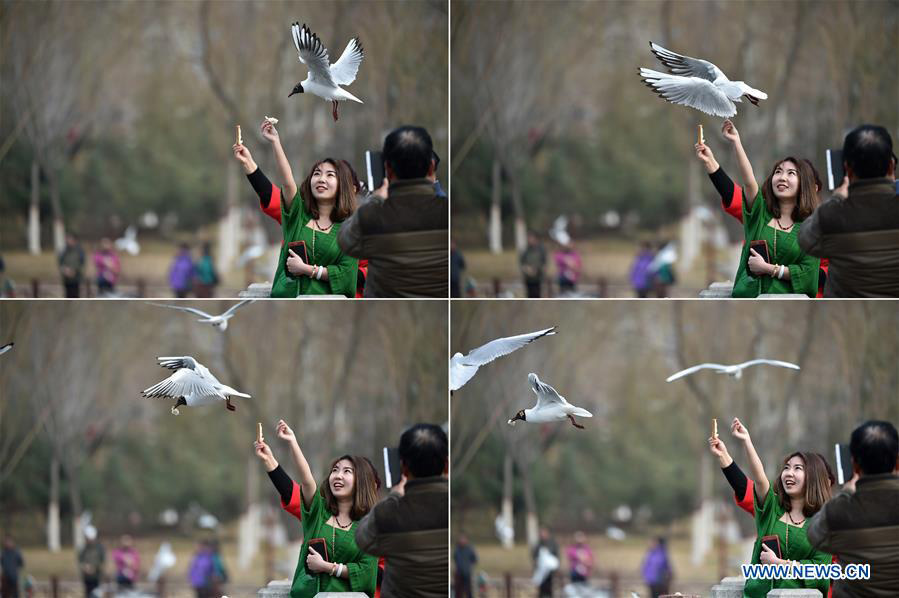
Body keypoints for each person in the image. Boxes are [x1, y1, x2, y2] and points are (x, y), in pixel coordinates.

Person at [233, 120, 358, 297]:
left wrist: (308, 270)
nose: (321, 179)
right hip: (286, 300)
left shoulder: (349, 232)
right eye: (317, 173)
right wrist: (275, 142)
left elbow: (347, 277)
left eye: (330, 175)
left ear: (343, 186)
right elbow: (288, 182)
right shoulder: (298, 215)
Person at [254, 419, 378, 597]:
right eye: (335, 470)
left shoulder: (368, 528)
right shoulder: (319, 512)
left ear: (362, 481)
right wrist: (292, 442)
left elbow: (367, 572)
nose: (338, 476)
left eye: (347, 471)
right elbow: (306, 480)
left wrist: (328, 568)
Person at [712, 418, 831, 598]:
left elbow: (822, 572)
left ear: (813, 478)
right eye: (786, 467)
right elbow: (760, 479)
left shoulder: (822, 526)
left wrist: (780, 564)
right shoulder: (772, 509)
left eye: (798, 468)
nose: (789, 473)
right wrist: (745, 442)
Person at [701, 120, 820, 297]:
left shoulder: (811, 230)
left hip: (787, 308)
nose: (782, 177)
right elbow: (749, 182)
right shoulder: (760, 214)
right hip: (747, 302)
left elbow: (809, 275)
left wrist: (770, 269)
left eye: (791, 173)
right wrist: (737, 142)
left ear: (805, 185)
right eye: (778, 172)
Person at [337, 126, 448, 298]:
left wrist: (375, 199)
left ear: (387, 169)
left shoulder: (373, 215)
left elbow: (345, 240)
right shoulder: (447, 211)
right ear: (432, 167)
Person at [799, 125, 899, 297]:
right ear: (891, 166)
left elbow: (805, 239)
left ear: (848, 169)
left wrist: (836, 198)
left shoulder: (832, 215)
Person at [355, 423, 449, 598]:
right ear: (447, 464)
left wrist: (394, 497)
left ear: (403, 467)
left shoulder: (390, 513)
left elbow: (362, 537)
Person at [807, 421, 899, 597]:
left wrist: (846, 492)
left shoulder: (839, 511)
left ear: (855, 465)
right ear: (897, 461)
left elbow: (814, 535)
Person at [78, 525, 105, 598]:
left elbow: (103, 562)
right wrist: (84, 567)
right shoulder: (83, 548)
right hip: (86, 577)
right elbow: (80, 561)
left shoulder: (100, 548)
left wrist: (94, 568)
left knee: (96, 595)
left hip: (97, 577)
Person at [532, 527, 559, 598]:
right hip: (540, 571)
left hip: (550, 572)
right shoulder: (538, 545)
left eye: (544, 533)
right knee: (541, 590)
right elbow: (534, 557)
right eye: (541, 533)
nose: (542, 535)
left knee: (549, 589)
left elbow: (556, 556)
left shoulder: (552, 544)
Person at [520, 231, 548, 298]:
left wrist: (537, 270)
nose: (529, 240)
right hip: (528, 278)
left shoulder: (541, 250)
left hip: (538, 278)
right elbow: (522, 263)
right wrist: (526, 269)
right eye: (528, 238)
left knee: (538, 295)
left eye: (531, 238)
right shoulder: (525, 250)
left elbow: (544, 263)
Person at [59, 233, 85, 298]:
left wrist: (74, 271)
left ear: (74, 240)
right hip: (66, 278)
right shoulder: (63, 251)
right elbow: (60, 263)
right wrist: (64, 270)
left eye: (70, 239)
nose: (68, 241)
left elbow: (82, 263)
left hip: (76, 278)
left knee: (76, 295)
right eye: (67, 239)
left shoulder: (79, 251)